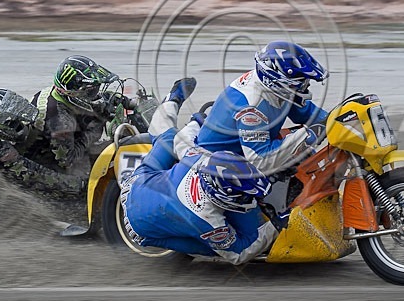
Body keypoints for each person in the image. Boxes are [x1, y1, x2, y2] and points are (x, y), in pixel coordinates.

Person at [121, 77, 287, 264]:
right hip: (138, 224)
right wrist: (277, 225)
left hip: (141, 181)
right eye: (244, 198)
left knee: (168, 138)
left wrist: (197, 122)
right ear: (221, 197)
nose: (252, 200)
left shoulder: (200, 159)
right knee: (214, 250)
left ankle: (172, 100)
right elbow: (240, 254)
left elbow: (183, 140)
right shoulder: (208, 220)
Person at [194, 40, 330, 176]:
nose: (305, 85)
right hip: (216, 165)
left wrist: (336, 118)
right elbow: (259, 162)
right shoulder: (251, 108)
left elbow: (308, 115)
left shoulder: (277, 88)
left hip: (248, 148)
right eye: (301, 82)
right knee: (300, 148)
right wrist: (308, 135)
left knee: (303, 148)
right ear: (278, 80)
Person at [25, 55, 119, 177]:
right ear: (74, 93)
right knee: (91, 181)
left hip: (54, 141)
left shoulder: (60, 92)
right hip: (44, 163)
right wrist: (97, 127)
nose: (96, 94)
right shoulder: (60, 122)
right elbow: (67, 160)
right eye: (91, 91)